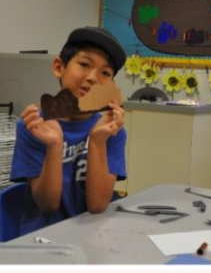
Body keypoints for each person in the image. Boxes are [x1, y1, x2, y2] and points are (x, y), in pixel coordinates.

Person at [8, 27, 127, 236]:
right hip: (43, 238)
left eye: (105, 73)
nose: (93, 77)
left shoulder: (111, 131)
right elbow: (47, 205)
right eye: (84, 64)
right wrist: (54, 144)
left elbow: (98, 205)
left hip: (94, 233)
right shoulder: (34, 127)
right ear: (58, 67)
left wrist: (97, 142)